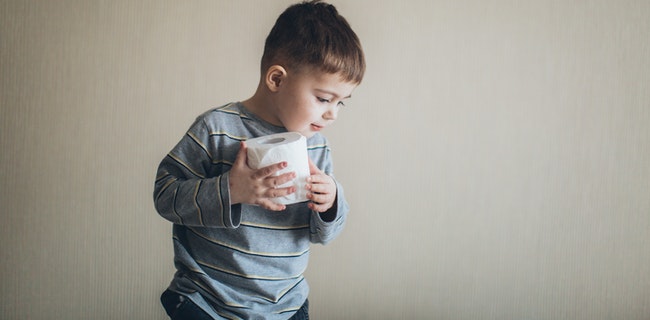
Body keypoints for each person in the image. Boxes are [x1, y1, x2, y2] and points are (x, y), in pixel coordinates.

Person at [153, 1, 365, 319]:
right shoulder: (216, 129)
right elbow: (165, 196)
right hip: (207, 301)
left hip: (284, 306)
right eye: (323, 98)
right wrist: (230, 190)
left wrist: (331, 201)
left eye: (340, 103)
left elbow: (323, 235)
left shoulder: (317, 148)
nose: (332, 114)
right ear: (277, 80)